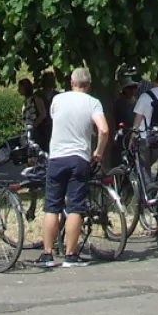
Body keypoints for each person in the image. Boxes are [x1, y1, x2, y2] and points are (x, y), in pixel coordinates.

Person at [35, 67, 108, 269]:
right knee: (75, 207)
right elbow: (103, 129)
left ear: (71, 83)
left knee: (51, 207)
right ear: (89, 85)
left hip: (57, 157)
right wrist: (98, 152)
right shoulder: (93, 103)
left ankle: (47, 254)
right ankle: (70, 255)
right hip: (79, 158)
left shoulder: (58, 99)